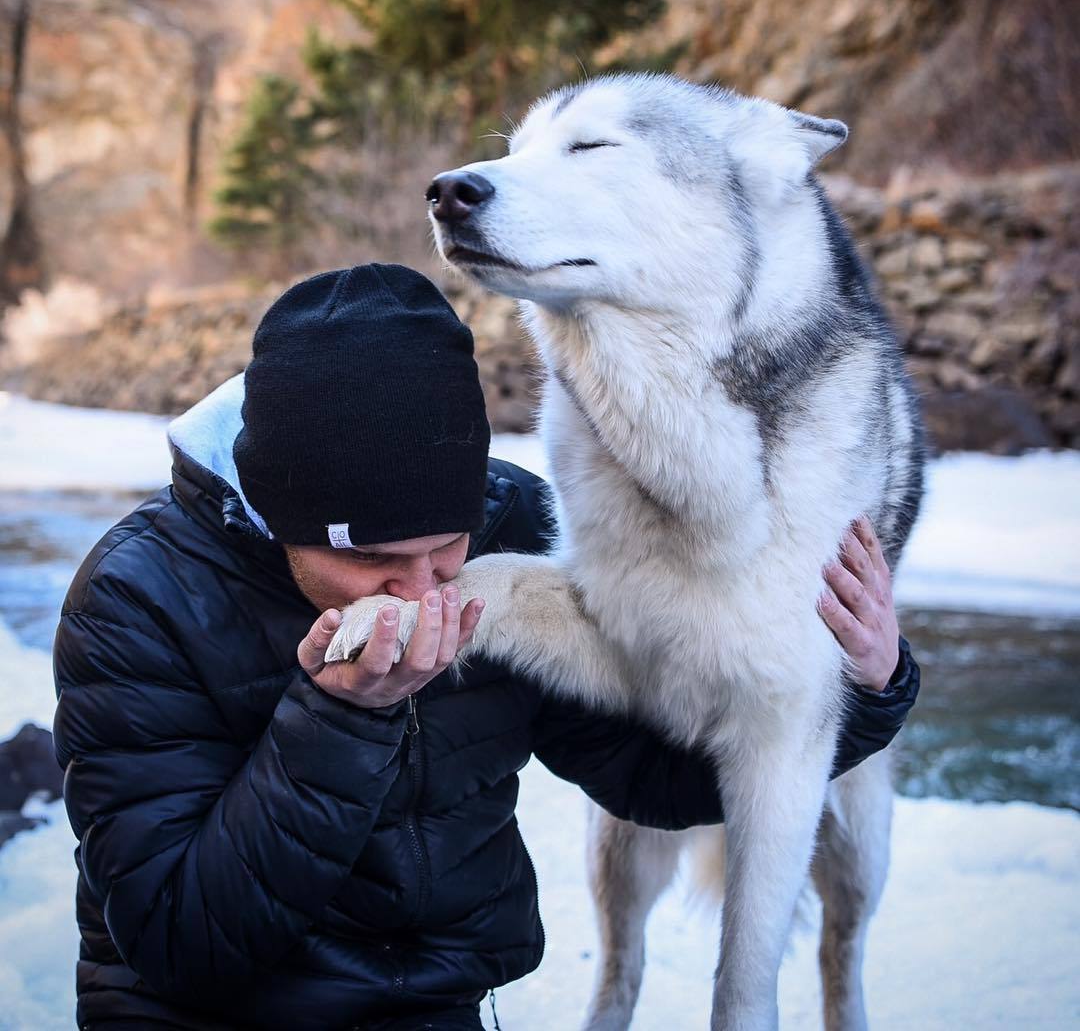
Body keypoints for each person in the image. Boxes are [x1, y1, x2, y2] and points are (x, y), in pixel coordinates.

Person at [53, 264, 919, 1031]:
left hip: (435, 1008)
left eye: (444, 547)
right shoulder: (136, 600)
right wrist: (340, 719)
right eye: (374, 559)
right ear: (282, 518)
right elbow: (178, 943)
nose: (425, 590)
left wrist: (864, 689)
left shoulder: (513, 526)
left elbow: (648, 776)